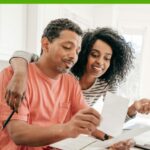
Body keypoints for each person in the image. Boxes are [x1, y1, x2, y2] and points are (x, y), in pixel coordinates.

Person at [0, 18, 134, 150]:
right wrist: (67, 129)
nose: (73, 56)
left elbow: (89, 122)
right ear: (46, 44)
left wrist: (111, 140)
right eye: (67, 47)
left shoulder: (70, 82)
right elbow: (18, 134)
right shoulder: (14, 78)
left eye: (77, 51)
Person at [7, 28, 150, 120]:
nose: (100, 62)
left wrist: (132, 109)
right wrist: (20, 74)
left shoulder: (106, 84)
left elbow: (110, 123)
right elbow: (21, 54)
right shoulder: (64, 69)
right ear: (83, 53)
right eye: (94, 54)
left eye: (107, 58)